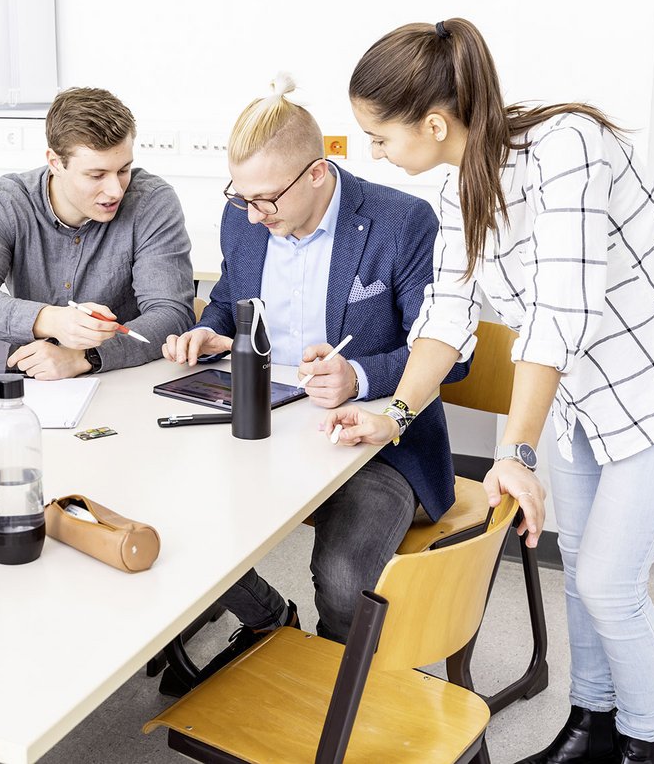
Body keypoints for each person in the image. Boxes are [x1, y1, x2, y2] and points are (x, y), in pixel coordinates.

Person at [333, 18, 654, 764]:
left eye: (378, 136)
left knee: (611, 585)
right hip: (586, 399)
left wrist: (513, 450)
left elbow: (561, 313)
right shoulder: (459, 191)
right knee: (580, 571)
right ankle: (591, 728)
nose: (373, 153)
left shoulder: (568, 147)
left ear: (432, 121)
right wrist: (392, 415)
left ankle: (645, 749)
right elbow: (446, 316)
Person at [157, 73, 468, 696]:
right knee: (165, 518)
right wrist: (210, 333)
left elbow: (451, 357)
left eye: (266, 199)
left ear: (318, 174)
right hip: (254, 419)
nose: (252, 213)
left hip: (373, 442)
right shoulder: (244, 216)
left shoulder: (400, 221)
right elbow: (225, 301)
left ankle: (337, 689)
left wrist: (359, 375)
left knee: (346, 575)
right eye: (241, 196)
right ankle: (270, 622)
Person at [0, 87, 194, 379]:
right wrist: (49, 320)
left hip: (123, 377)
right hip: (34, 377)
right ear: (56, 163)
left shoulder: (151, 201)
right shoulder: (6, 201)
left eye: (123, 169)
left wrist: (86, 357)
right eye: (96, 175)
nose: (115, 190)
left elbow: (172, 314)